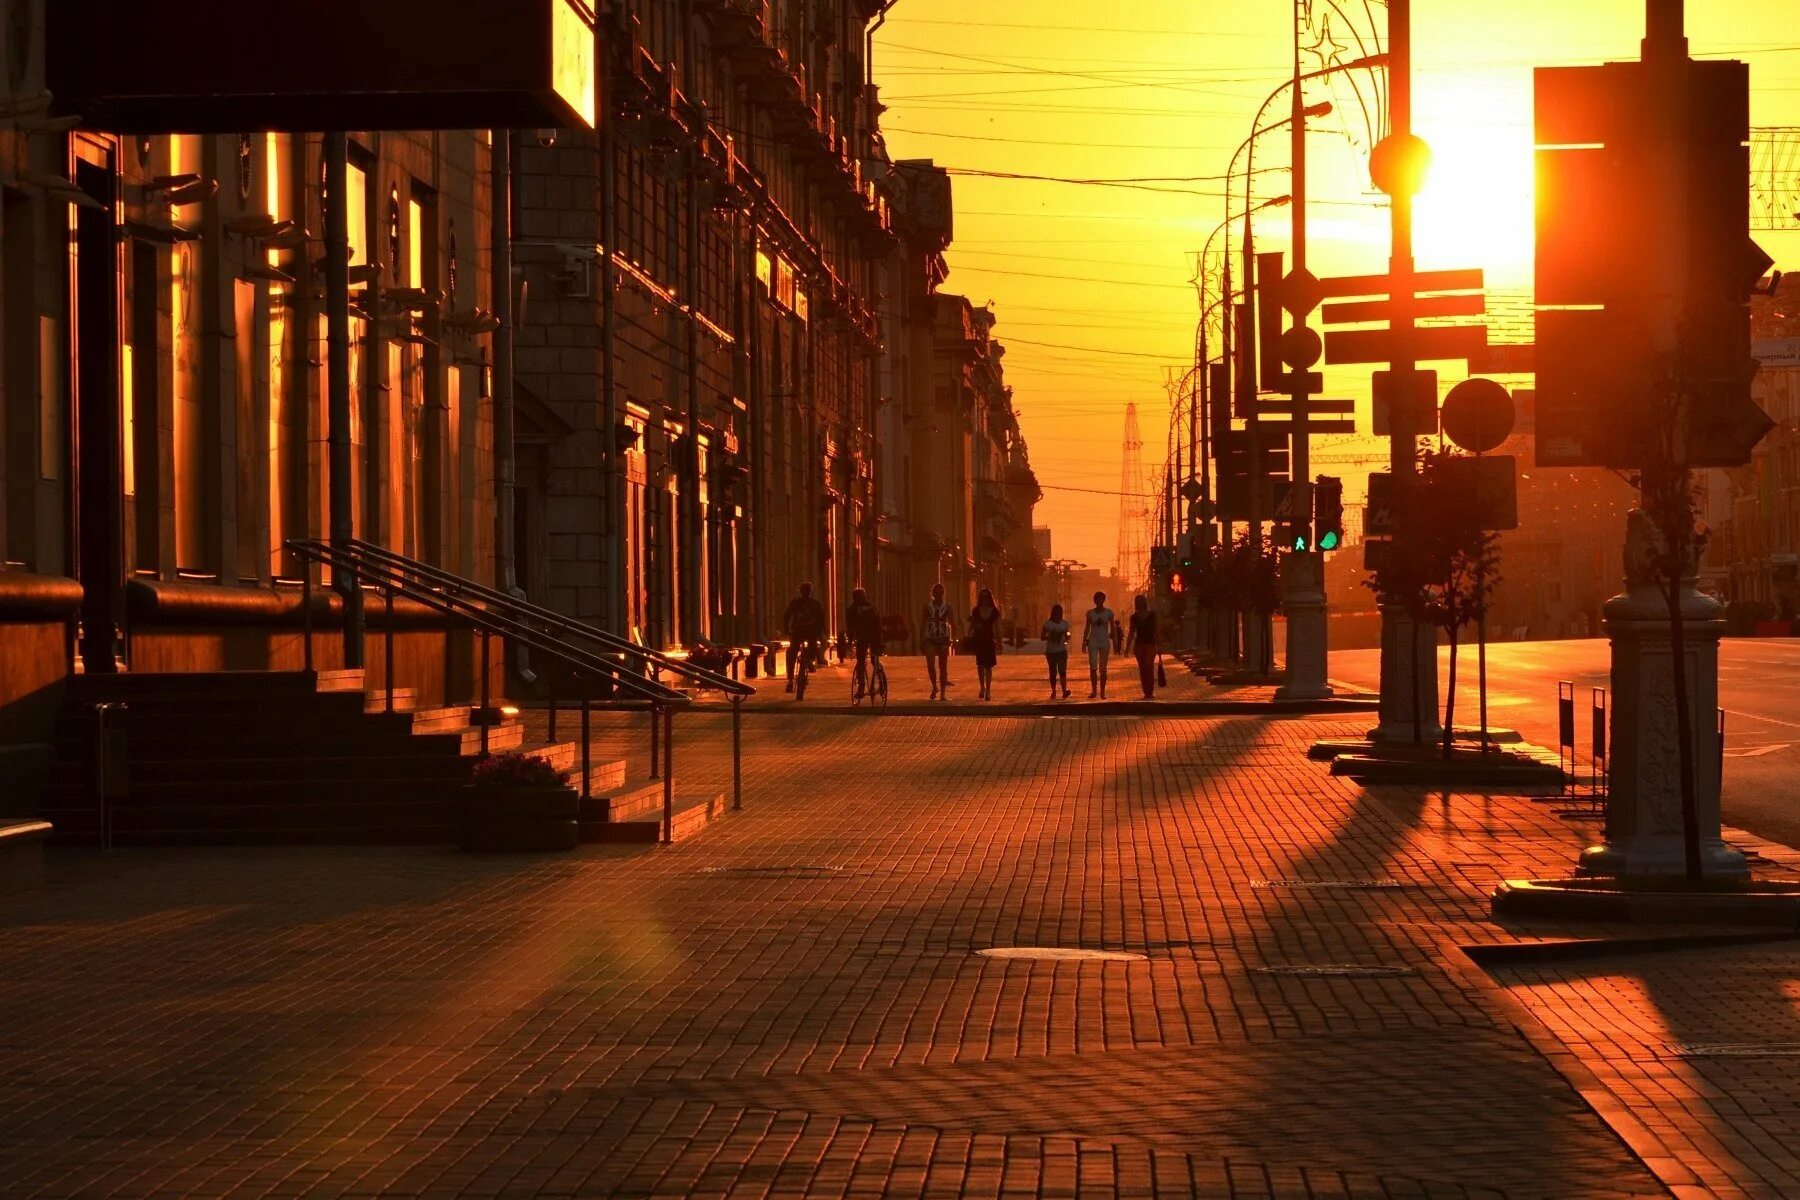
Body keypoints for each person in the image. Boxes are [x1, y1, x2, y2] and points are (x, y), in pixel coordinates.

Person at [782, 581, 826, 693]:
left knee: (792, 653)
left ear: (800, 591)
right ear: (811, 592)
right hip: (810, 632)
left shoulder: (795, 602)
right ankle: (809, 662)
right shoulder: (816, 603)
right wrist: (820, 632)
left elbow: (787, 616)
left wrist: (787, 629)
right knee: (813, 648)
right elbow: (821, 619)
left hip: (798, 631)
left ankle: (790, 681)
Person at [920, 583, 956, 700]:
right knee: (930, 665)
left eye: (941, 593)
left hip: (943, 639)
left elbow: (953, 623)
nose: (939, 595)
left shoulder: (948, 606)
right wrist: (921, 640)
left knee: (943, 666)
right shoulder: (927, 607)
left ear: (944, 593)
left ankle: (943, 694)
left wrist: (954, 639)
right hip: (930, 639)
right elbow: (923, 623)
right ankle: (935, 687)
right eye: (937, 592)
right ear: (933, 594)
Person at [845, 587, 884, 698]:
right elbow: (878, 624)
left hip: (861, 638)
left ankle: (861, 688)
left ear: (853, 598)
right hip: (875, 637)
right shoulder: (872, 607)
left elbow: (850, 627)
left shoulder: (851, 609)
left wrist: (850, 641)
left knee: (861, 661)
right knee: (875, 660)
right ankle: (881, 683)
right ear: (865, 596)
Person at [967, 587, 1002, 701]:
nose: (985, 599)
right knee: (980, 665)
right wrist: (970, 633)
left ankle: (988, 690)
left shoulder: (994, 611)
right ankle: (982, 686)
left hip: (989, 640)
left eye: (987, 597)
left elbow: (997, 628)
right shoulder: (976, 610)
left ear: (990, 598)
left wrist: (999, 642)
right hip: (979, 640)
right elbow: (972, 625)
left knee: (988, 666)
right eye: (983, 597)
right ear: (980, 598)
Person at [1124, 594, 1160, 700]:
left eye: (1141, 601)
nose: (1139, 603)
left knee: (1149, 668)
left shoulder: (1152, 615)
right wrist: (1127, 648)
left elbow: (1156, 630)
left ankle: (1150, 691)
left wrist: (1159, 644)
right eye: (1137, 601)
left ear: (1144, 602)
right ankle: (1146, 691)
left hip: (1150, 644)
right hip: (1139, 645)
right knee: (1142, 669)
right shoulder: (1134, 617)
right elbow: (1131, 633)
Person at [1081, 591, 1116, 699]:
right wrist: (1083, 642)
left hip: (1104, 641)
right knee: (1093, 667)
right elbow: (1087, 628)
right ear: (1095, 600)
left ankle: (1102, 692)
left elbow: (1113, 628)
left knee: (1103, 668)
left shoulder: (1109, 613)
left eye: (1102, 599)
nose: (1100, 601)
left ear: (1104, 600)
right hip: (1093, 641)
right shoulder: (1090, 613)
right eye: (1098, 599)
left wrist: (1113, 638)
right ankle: (1094, 691)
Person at [1041, 603, 1072, 700]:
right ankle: (1053, 691)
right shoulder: (1048, 623)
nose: (1059, 615)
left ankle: (1064, 691)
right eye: (1057, 613)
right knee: (1053, 672)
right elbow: (1042, 636)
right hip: (1051, 652)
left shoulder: (1064, 623)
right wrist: (1051, 636)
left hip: (1062, 650)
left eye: (1060, 613)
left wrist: (1067, 636)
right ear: (1053, 613)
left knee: (1062, 671)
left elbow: (1067, 633)